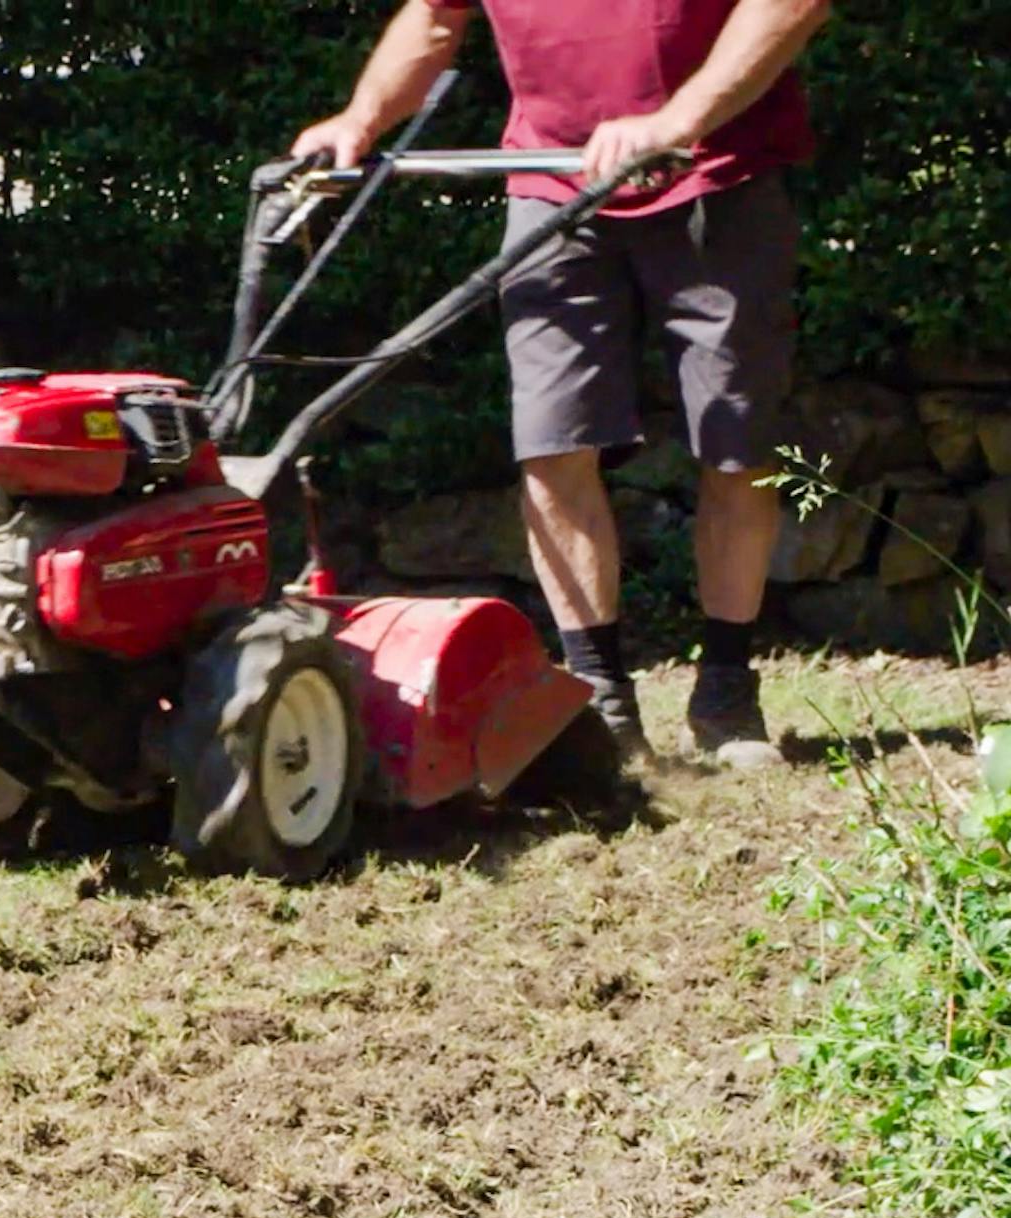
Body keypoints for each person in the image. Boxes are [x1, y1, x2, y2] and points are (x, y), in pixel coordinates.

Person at [295, 0, 832, 768]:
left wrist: (677, 120)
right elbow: (434, 19)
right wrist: (362, 118)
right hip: (550, 186)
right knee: (552, 444)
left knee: (737, 448)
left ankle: (726, 691)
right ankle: (599, 699)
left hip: (719, 178)